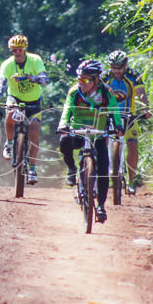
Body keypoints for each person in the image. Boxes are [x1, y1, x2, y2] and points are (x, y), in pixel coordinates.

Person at [57, 59, 121, 223]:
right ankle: (72, 169)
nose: (81, 83)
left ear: (96, 80)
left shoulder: (106, 92)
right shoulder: (74, 92)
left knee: (104, 169)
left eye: (85, 80)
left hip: (98, 134)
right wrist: (63, 124)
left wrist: (118, 126)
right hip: (78, 132)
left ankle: (100, 206)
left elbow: (114, 110)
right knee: (64, 141)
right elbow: (67, 110)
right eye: (79, 79)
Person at [0, 34, 49, 184]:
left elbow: (45, 80)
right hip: (15, 98)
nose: (18, 53)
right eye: (14, 50)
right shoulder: (7, 65)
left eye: (20, 49)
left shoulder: (35, 60)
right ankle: (8, 143)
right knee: (10, 115)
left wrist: (30, 77)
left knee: (33, 131)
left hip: (34, 100)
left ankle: (32, 168)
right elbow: (2, 84)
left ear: (25, 49)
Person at [103, 50, 152, 195]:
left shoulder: (133, 76)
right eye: (114, 67)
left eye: (120, 68)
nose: (117, 71)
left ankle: (131, 182)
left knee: (133, 145)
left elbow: (141, 93)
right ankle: (102, 174)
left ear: (125, 66)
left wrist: (145, 109)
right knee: (102, 142)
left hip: (128, 114)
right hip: (109, 114)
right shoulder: (105, 77)